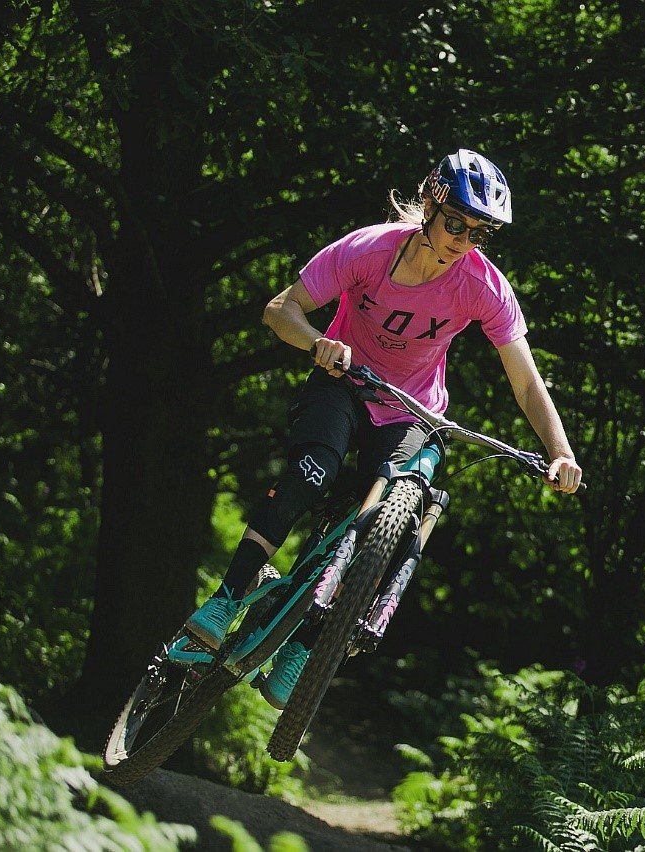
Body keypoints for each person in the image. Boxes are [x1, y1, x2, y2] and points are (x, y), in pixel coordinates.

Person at [183, 148, 582, 709]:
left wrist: (559, 453)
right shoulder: (368, 250)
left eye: (477, 233)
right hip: (344, 381)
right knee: (309, 475)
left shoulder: (483, 287)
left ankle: (305, 645)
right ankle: (228, 597)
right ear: (430, 204)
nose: (461, 241)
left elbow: (525, 380)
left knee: (392, 525)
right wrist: (317, 342)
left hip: (413, 409)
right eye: (454, 224)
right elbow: (281, 309)